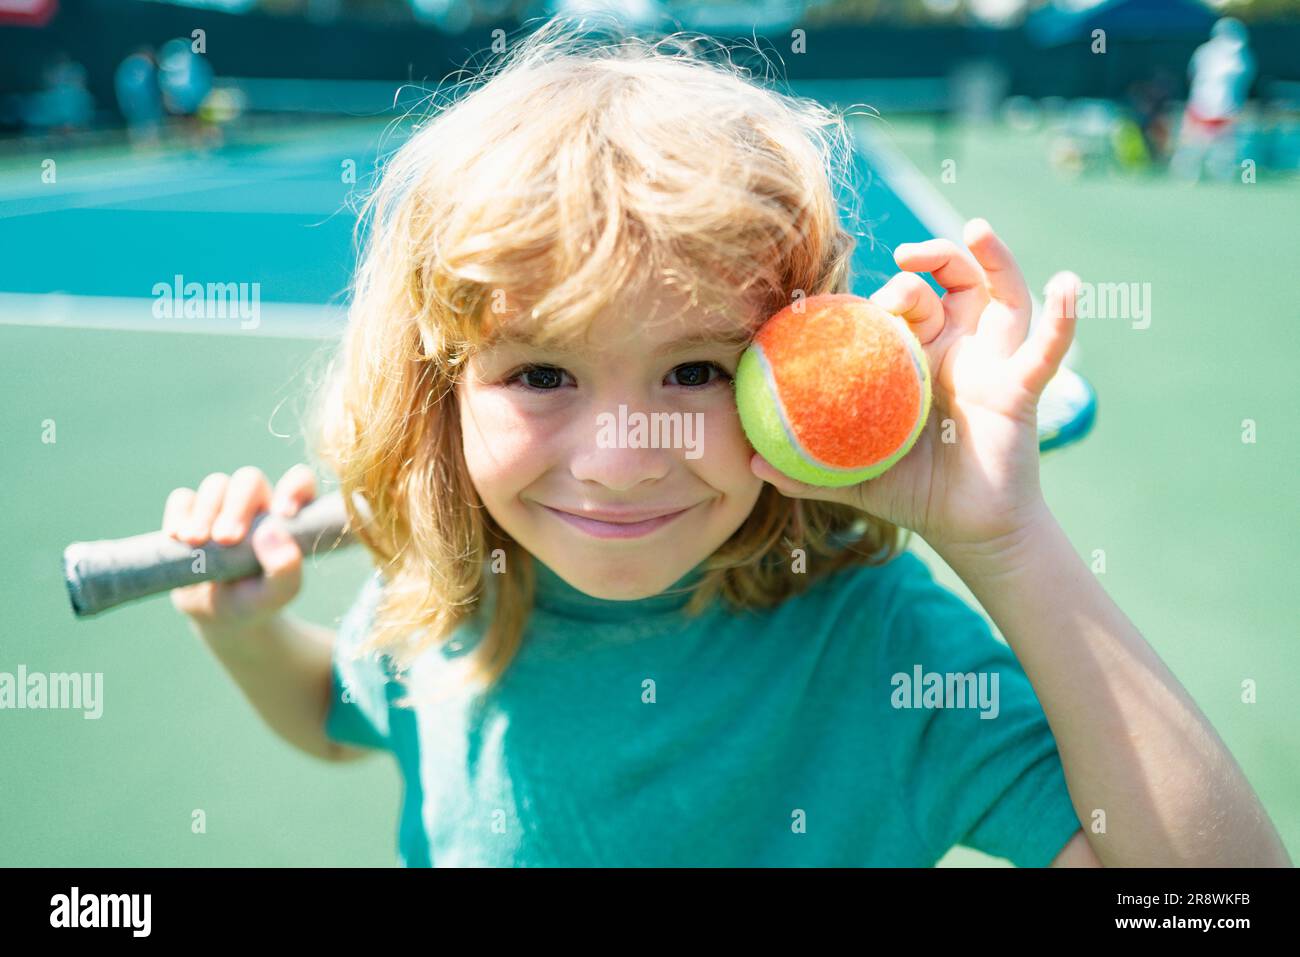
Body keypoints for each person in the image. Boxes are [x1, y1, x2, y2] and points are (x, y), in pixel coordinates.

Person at [160, 19, 1291, 868]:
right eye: (541, 374)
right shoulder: (450, 594)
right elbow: (338, 712)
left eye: (696, 370)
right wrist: (246, 634)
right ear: (437, 393)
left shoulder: (880, 651)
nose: (619, 459)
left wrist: (1009, 543)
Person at [1172, 17, 1257, 182]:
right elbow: (1194, 77)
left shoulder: (1242, 58)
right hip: (1201, 107)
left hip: (1226, 111)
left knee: (1224, 149)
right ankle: (1186, 177)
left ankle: (1220, 178)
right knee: (1193, 146)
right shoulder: (1205, 53)